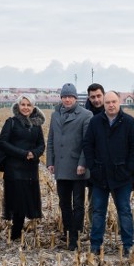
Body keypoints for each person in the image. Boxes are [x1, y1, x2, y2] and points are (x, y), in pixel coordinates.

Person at [82, 91, 134, 256]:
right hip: (100, 176)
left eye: (114, 101)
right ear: (104, 103)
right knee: (98, 211)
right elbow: (87, 145)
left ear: (119, 102)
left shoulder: (129, 122)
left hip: (121, 177)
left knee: (124, 210)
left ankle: (127, 245)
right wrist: (93, 167)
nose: (111, 105)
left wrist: (127, 169)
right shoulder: (95, 122)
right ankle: (95, 245)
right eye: (108, 102)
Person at [46, 83, 92, 251]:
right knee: (64, 202)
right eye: (64, 96)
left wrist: (82, 163)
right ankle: (67, 230)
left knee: (78, 204)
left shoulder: (86, 115)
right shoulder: (55, 115)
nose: (67, 99)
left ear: (75, 98)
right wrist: (50, 161)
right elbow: (51, 139)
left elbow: (87, 143)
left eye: (70, 96)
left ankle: (76, 235)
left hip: (78, 167)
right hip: (61, 166)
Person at [0, 94, 45, 241]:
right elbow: (3, 142)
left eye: (28, 105)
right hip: (14, 168)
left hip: (30, 169)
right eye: (23, 104)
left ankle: (20, 231)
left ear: (33, 107)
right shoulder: (11, 122)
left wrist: (34, 154)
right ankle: (15, 233)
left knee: (27, 199)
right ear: (18, 106)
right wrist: (24, 154)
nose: (25, 107)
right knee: (16, 200)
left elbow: (41, 144)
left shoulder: (36, 125)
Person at [83, 83, 106, 227]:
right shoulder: (85, 115)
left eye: (98, 96)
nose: (96, 99)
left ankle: (122, 235)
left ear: (103, 95)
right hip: (94, 167)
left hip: (113, 166)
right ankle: (94, 230)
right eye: (93, 97)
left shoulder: (112, 111)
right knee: (93, 202)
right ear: (89, 98)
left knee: (121, 205)